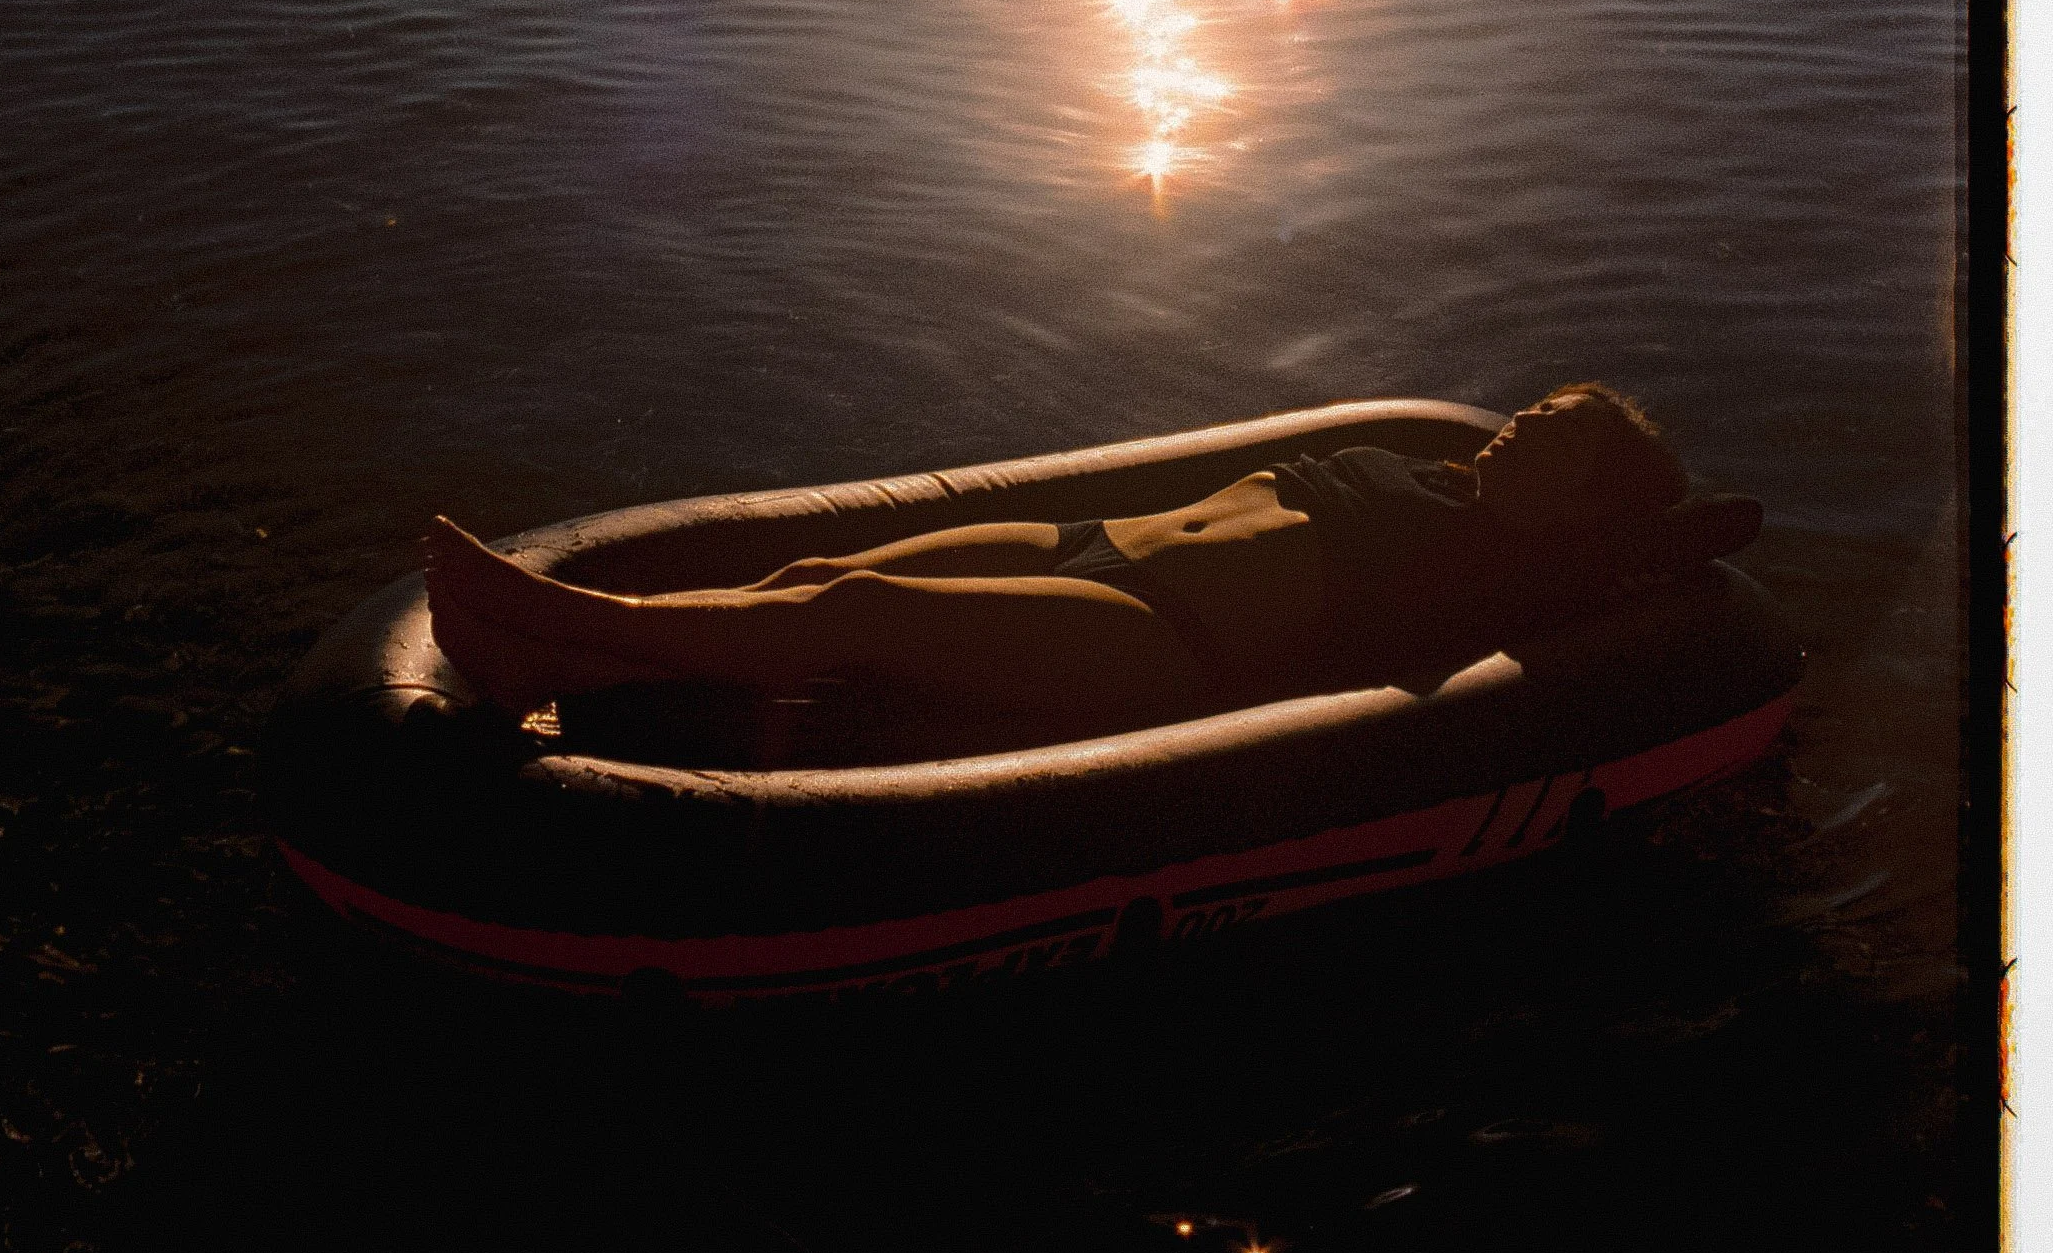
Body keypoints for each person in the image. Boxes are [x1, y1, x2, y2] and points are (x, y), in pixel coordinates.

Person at [423, 384, 1754, 760]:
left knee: (863, 611)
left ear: (1588, 504)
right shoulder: (1429, 466)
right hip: (1092, 545)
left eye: (1563, 435)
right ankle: (566, 665)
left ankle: (558, 618)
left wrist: (1636, 516)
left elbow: (1715, 531)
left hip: (1162, 630)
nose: (1527, 421)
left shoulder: (1522, 573)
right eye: (1543, 407)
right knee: (827, 563)